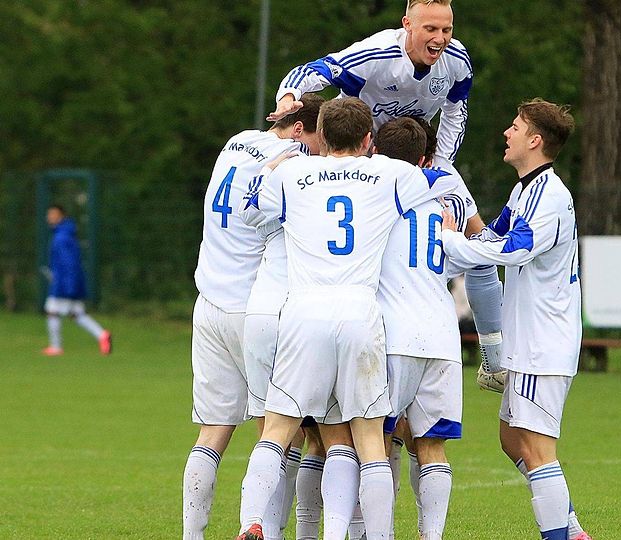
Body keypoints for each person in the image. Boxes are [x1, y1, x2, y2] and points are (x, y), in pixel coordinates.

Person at [235, 98, 459, 540]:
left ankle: (251, 521)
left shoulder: (293, 174)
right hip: (360, 312)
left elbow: (250, 209)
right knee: (370, 438)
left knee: (278, 428)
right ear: (368, 139)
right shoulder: (392, 174)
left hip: (303, 311)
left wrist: (279, 160)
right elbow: (439, 189)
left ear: (320, 131)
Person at [441, 98, 591, 540]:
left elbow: (514, 249)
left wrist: (451, 244)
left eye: (515, 126)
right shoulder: (524, 189)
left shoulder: (549, 195)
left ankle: (562, 536)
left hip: (544, 340)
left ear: (535, 140)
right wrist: (457, 240)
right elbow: (492, 235)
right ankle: (574, 530)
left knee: (538, 448)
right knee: (512, 438)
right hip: (530, 339)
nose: (506, 133)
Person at [183, 101, 323, 540]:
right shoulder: (293, 161)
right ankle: (265, 529)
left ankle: (192, 535)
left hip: (208, 303)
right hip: (254, 309)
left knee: (212, 432)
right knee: (280, 433)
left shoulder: (236, 141)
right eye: (318, 137)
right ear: (299, 131)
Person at [373, 116, 478, 540]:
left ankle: (375, 533)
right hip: (442, 336)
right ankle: (431, 536)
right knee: (432, 447)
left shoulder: (376, 204)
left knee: (376, 441)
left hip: (394, 336)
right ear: (424, 159)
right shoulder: (441, 210)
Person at [237, 93, 326, 540]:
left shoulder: (285, 173)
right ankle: (308, 532)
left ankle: (260, 527)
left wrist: (270, 170)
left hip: (260, 311)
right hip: (305, 316)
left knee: (271, 434)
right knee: (324, 438)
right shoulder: (342, 179)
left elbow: (248, 211)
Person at [268, 0, 471, 168]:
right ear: (407, 24)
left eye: (447, 30)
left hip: (407, 155)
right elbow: (318, 69)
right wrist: (289, 95)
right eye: (431, 29)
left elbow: (455, 113)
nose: (440, 38)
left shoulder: (456, 60)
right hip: (355, 150)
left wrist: (442, 164)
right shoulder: (377, 54)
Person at [41, 205, 111, 356]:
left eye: (53, 214)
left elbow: (69, 263)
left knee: (52, 311)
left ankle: (56, 346)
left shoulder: (61, 237)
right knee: (76, 314)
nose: (49, 217)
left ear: (62, 216)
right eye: (49, 214)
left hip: (64, 283)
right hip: (69, 281)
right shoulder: (64, 233)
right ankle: (102, 335)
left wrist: (69, 285)